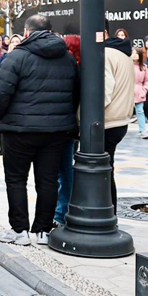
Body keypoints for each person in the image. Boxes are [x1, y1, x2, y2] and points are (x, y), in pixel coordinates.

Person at [0, 14, 79, 245]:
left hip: (19, 131)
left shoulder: (16, 57)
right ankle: (42, 230)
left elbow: (0, 94)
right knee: (48, 181)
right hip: (55, 131)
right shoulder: (67, 58)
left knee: (16, 180)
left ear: (27, 33)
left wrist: (3, 118)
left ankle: (19, 230)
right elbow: (76, 93)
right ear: (50, 31)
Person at [104, 27, 135, 211]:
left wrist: (82, 119)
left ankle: (106, 213)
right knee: (107, 168)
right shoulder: (124, 54)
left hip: (106, 120)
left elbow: (103, 93)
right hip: (120, 119)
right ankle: (110, 213)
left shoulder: (106, 54)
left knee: (101, 170)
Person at [54, 35, 82, 228]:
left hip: (65, 127)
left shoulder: (71, 68)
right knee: (63, 171)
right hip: (69, 126)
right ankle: (60, 210)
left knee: (63, 171)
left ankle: (61, 211)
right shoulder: (75, 67)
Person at [132, 47, 148, 139]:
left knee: (140, 111)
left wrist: (144, 90)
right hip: (126, 92)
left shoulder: (144, 67)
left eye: (136, 53)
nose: (134, 55)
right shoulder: (126, 65)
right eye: (133, 53)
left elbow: (147, 80)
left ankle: (143, 130)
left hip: (139, 92)